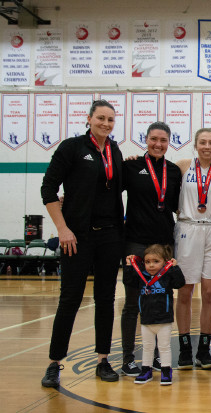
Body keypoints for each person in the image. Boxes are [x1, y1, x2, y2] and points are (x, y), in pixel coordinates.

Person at [40, 100, 124, 387]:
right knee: (70, 299)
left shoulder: (114, 150)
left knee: (106, 299)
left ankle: (103, 359)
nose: (106, 123)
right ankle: (54, 363)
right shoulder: (72, 147)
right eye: (101, 118)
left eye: (111, 119)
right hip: (76, 237)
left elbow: (115, 186)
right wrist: (62, 229)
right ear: (88, 118)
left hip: (110, 236)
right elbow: (48, 189)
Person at [120, 121, 182, 376]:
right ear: (145, 139)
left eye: (163, 140)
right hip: (136, 243)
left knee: (161, 300)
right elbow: (106, 190)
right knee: (132, 302)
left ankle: (158, 357)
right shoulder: (131, 166)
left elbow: (178, 206)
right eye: (154, 139)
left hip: (164, 244)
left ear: (169, 142)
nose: (158, 144)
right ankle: (127, 358)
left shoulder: (174, 171)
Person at [174, 128, 211, 370]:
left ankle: (203, 350)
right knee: (184, 292)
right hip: (188, 229)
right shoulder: (183, 165)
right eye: (202, 142)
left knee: (209, 293)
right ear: (195, 144)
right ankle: (185, 347)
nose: (207, 146)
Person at [125, 245, 185, 385]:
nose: (151, 265)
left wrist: (175, 268)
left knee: (164, 347)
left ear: (165, 261)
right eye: (147, 262)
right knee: (147, 347)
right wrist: (128, 267)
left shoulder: (167, 275)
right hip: (146, 320)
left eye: (156, 261)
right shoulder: (141, 276)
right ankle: (146, 370)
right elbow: (128, 282)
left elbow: (180, 283)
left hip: (164, 320)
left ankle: (166, 370)